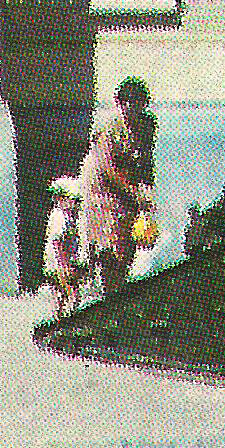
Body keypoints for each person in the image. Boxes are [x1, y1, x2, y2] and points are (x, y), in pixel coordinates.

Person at [82, 76, 157, 295]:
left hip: (128, 191)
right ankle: (108, 290)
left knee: (130, 242)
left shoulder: (147, 126)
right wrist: (135, 193)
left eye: (137, 103)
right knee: (111, 245)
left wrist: (147, 190)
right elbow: (109, 170)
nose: (131, 108)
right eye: (127, 103)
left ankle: (119, 287)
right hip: (103, 193)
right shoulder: (110, 131)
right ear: (119, 104)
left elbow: (146, 160)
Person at [42, 174, 87, 314]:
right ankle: (63, 315)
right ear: (60, 199)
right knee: (68, 292)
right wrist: (64, 265)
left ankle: (62, 314)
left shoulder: (70, 217)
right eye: (72, 200)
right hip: (60, 262)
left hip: (66, 260)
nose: (75, 204)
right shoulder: (59, 217)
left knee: (65, 293)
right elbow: (58, 242)